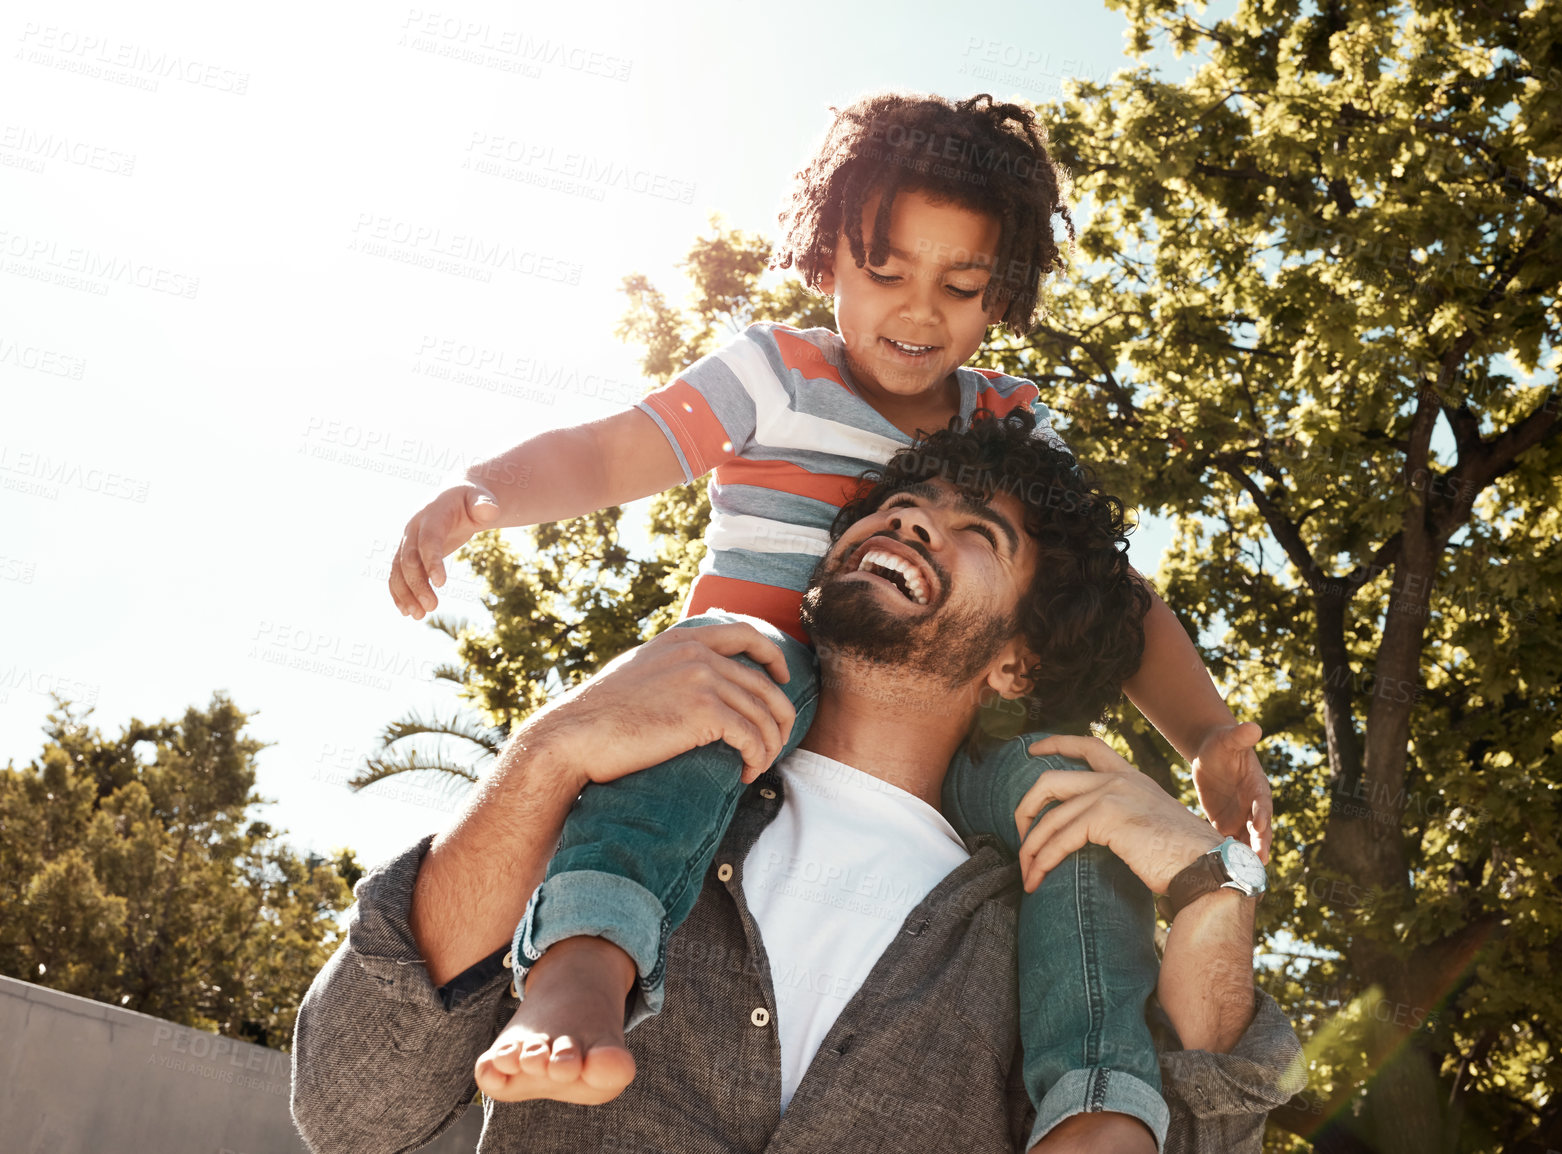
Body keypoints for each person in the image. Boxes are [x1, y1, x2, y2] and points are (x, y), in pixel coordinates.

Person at [387, 92, 1272, 1149]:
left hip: (945, 739)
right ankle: (584, 965)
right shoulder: (776, 375)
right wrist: (482, 493)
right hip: (751, 682)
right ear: (825, 261)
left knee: (1076, 817)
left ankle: (1098, 1104)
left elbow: (1108, 592)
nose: (917, 311)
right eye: (884, 271)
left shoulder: (1008, 419)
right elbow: (610, 451)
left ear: (1004, 297)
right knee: (703, 710)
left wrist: (1208, 733)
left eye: (960, 286)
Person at [295, 412, 1302, 1154]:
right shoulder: (633, 790)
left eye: (974, 534)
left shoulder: (1047, 910)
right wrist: (548, 750)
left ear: (1018, 665)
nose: (910, 525)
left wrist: (1212, 889)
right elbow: (348, 1107)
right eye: (898, 508)